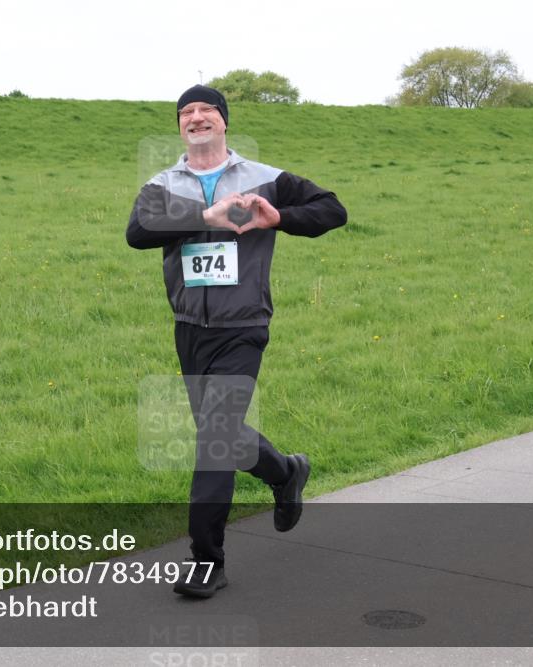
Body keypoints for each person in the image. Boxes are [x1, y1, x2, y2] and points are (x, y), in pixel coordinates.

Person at [126, 85, 347, 598]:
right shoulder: (162, 183)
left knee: (215, 438)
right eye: (187, 113)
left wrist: (281, 217)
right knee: (220, 432)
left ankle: (207, 561)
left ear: (224, 122)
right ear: (180, 127)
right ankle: (285, 472)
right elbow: (137, 232)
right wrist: (204, 217)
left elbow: (332, 210)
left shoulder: (265, 179)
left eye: (207, 110)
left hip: (243, 325)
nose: (196, 117)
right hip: (189, 328)